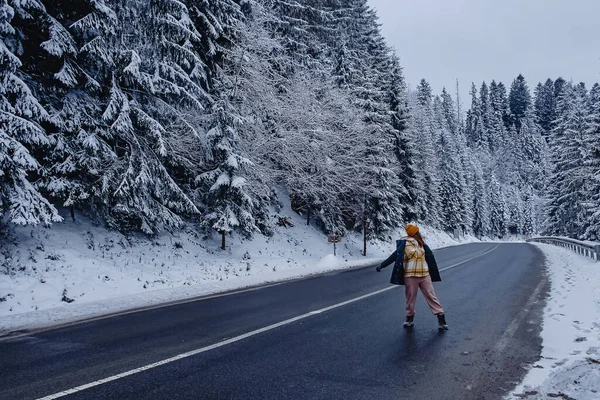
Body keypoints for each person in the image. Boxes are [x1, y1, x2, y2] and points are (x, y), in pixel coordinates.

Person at [376, 224, 448, 330]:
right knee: (410, 298)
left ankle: (441, 318)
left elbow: (430, 257)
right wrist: (382, 265)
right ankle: (409, 318)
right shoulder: (404, 244)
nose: (419, 233)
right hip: (410, 276)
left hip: (424, 275)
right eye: (417, 232)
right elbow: (394, 256)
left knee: (431, 296)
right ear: (414, 233)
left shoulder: (422, 244)